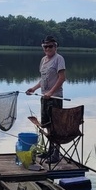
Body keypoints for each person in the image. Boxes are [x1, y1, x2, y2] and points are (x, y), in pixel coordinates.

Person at [26, 35, 66, 163]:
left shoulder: (59, 59)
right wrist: (34, 88)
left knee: (55, 127)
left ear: (55, 47)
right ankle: (50, 151)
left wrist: (51, 92)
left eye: (50, 46)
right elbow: (43, 80)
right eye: (45, 46)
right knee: (47, 125)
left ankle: (56, 154)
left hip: (55, 97)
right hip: (44, 98)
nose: (47, 48)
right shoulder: (43, 60)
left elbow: (61, 78)